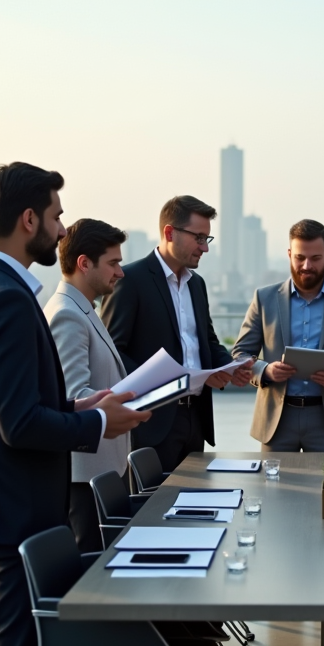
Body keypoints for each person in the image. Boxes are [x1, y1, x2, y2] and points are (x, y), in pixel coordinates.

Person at [0, 162, 148, 646]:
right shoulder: (7, 298)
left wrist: (76, 408)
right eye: (56, 217)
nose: (61, 231)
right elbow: (17, 424)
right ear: (27, 218)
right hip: (12, 507)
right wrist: (98, 425)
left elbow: (0, 407)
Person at [100, 195, 251, 471]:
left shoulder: (198, 285)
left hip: (196, 417)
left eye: (207, 239)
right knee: (152, 510)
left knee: (195, 509)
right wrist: (163, 381)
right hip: (152, 421)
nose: (204, 247)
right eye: (199, 238)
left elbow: (206, 341)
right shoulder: (130, 281)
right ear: (170, 233)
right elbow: (112, 351)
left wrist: (229, 366)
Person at [232, 219, 324, 452]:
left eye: (315, 258)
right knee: (273, 488)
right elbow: (240, 354)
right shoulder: (264, 299)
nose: (307, 265)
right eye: (300, 257)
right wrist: (265, 370)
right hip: (276, 420)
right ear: (289, 254)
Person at [43, 218, 133, 551]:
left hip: (101, 468)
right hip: (85, 477)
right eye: (113, 263)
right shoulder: (67, 315)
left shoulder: (83, 309)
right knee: (91, 575)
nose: (120, 272)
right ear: (84, 263)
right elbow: (72, 398)